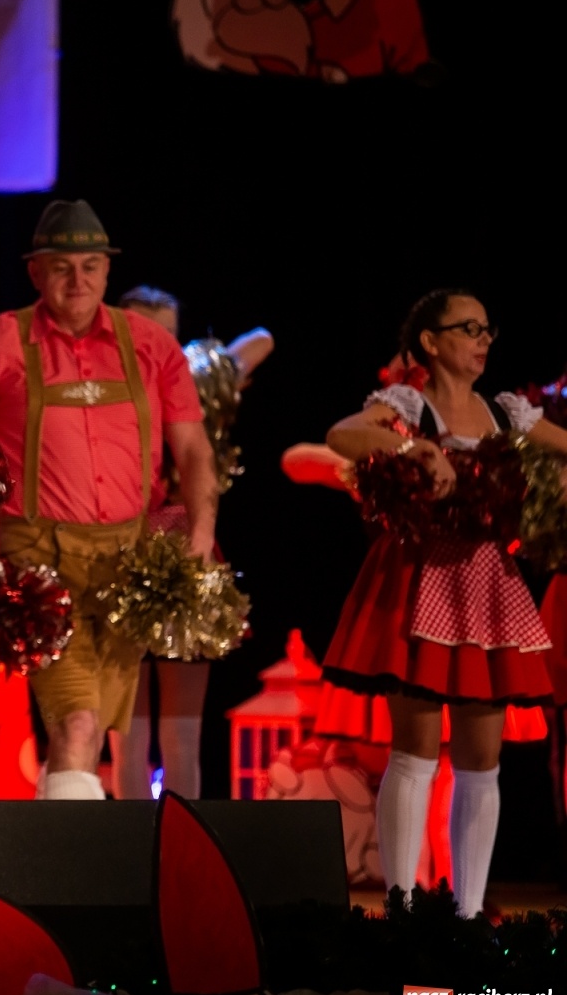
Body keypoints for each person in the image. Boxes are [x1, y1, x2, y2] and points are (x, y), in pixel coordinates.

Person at [0, 201, 217, 800]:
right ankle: (75, 887)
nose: (79, 282)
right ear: (35, 273)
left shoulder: (148, 344)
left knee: (92, 724)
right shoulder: (1, 341)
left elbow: (195, 451)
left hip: (129, 562)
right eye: (63, 268)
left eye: (91, 267)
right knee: (76, 718)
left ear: (106, 271)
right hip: (39, 560)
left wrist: (199, 539)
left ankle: (60, 863)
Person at [320, 288, 567, 919]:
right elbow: (343, 435)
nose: (484, 341)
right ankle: (402, 914)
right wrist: (413, 447)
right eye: (468, 329)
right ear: (431, 342)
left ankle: (467, 917)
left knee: (482, 760)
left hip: (486, 586)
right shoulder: (407, 405)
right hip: (420, 577)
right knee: (416, 750)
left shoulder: (504, 411)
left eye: (488, 329)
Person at [108, 285, 273, 799]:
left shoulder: (194, 384)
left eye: (166, 336)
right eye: (140, 334)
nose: (153, 346)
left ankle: (182, 852)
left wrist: (194, 365)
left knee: (182, 732)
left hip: (187, 547)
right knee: (125, 732)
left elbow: (262, 340)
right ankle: (132, 853)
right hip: (118, 547)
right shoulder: (102, 387)